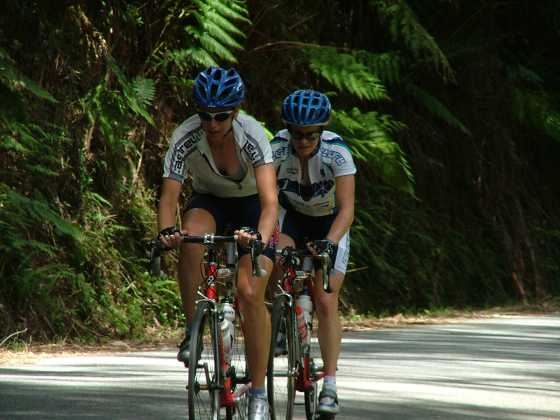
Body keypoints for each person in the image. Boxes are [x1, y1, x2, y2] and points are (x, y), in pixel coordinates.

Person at [158, 67, 277, 419]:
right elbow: (169, 197)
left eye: (221, 116)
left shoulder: (251, 135)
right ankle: (192, 331)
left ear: (235, 112)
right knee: (190, 238)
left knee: (250, 291)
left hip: (253, 205)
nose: (212, 123)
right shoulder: (185, 135)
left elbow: (271, 202)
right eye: (205, 115)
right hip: (210, 200)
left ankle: (258, 392)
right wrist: (166, 232)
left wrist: (258, 237)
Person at [271, 89, 356, 415]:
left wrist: (330, 243)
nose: (303, 141)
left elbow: (347, 210)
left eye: (310, 135)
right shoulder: (277, 149)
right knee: (274, 256)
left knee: (326, 299)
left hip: (330, 223)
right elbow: (266, 199)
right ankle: (283, 318)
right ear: (288, 131)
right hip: (292, 218)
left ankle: (330, 385)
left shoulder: (338, 153)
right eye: (297, 134)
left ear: (321, 131)